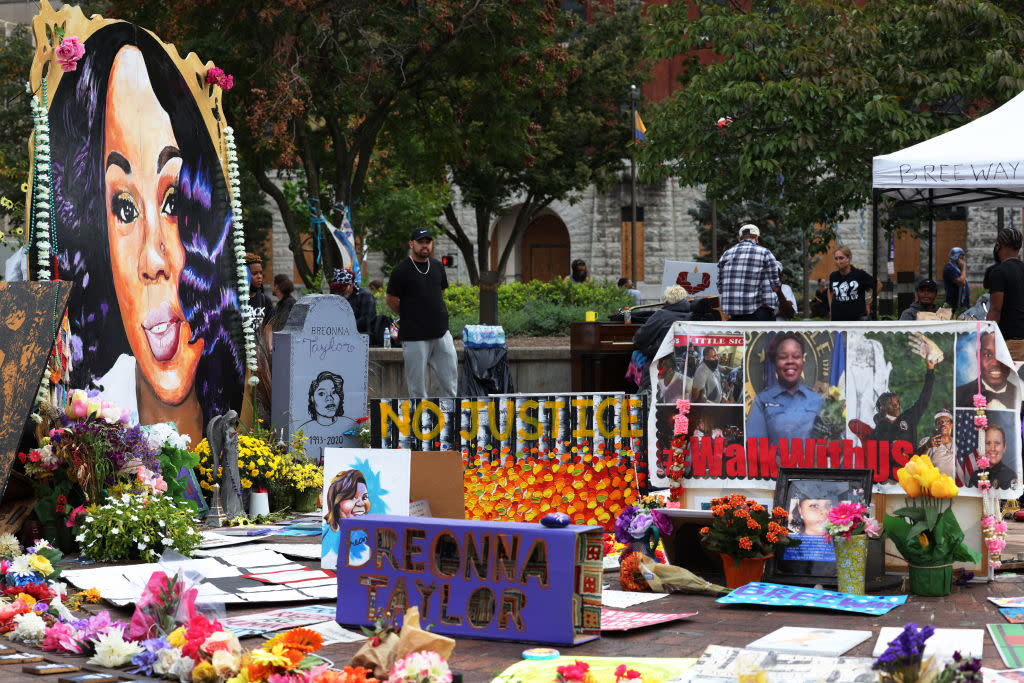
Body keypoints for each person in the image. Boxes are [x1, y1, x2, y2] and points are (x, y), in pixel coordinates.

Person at [51, 22, 242, 445]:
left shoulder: (247, 443)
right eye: (124, 207)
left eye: (173, 201)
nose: (153, 261)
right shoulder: (92, 426)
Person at [386, 228, 458, 397]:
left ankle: (450, 422)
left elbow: (440, 292)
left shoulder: (438, 266)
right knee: (417, 389)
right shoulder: (401, 270)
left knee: (451, 385)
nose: (425, 246)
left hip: (441, 333)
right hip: (414, 336)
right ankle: (420, 423)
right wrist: (410, 314)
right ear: (412, 244)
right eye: (420, 242)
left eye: (428, 242)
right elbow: (391, 299)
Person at [746, 333, 824, 446]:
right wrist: (778, 460)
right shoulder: (762, 401)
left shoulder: (817, 400)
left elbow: (830, 444)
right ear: (774, 362)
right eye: (783, 357)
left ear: (802, 360)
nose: (790, 361)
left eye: (796, 356)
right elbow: (754, 446)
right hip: (776, 464)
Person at [717, 224, 794, 321]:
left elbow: (720, 290)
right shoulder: (765, 253)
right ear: (757, 238)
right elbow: (776, 287)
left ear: (739, 239)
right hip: (759, 314)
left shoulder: (726, 254)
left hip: (734, 315)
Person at [869, 365, 935, 448]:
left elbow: (924, 399)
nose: (896, 405)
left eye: (897, 402)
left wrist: (930, 369)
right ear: (882, 408)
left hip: (912, 460)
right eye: (891, 403)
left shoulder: (909, 418)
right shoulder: (879, 429)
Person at [987, 227, 1024, 362]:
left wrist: (986, 336)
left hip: (1010, 341)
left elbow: (995, 309)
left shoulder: (998, 272)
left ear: (998, 245)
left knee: (1012, 383)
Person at [956, 331, 1018, 410]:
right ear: (978, 356)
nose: (995, 363)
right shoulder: (959, 394)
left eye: (1002, 355)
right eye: (988, 355)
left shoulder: (1021, 393)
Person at [322, 469, 371, 568]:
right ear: (336, 503)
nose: (361, 503)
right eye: (352, 497)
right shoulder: (329, 539)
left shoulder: (371, 533)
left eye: (364, 497)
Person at [299, 371, 358, 451]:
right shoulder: (303, 430)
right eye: (322, 394)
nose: (329, 398)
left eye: (334, 392)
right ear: (312, 399)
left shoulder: (350, 424)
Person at [632, 285, 692, 361]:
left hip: (661, 362)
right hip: (685, 361)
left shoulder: (661, 315)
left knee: (637, 357)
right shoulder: (692, 315)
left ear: (667, 301)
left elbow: (639, 339)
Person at [828, 245, 881, 321]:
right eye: (836, 259)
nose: (838, 262)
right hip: (837, 320)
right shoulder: (833, 276)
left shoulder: (859, 274)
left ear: (849, 258)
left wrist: (869, 303)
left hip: (856, 320)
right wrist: (831, 307)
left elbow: (878, 285)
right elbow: (830, 291)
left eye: (841, 258)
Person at [968, 424, 1016, 490]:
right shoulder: (975, 477)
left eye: (997, 443)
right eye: (988, 443)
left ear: (1004, 447)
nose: (992, 448)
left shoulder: (1011, 477)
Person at [331, 268, 375, 334]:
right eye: (337, 291)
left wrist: (344, 327)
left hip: (362, 335)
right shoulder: (337, 298)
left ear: (351, 285)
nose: (339, 293)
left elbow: (366, 320)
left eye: (342, 290)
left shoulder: (365, 296)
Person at [917, 410, 955, 478]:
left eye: (946, 421)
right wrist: (927, 446)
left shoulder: (957, 442)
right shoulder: (927, 441)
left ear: (951, 425)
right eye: (939, 422)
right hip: (936, 485)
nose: (943, 424)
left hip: (956, 485)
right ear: (936, 426)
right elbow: (916, 461)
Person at [246, 254, 274, 327]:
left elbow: (268, 329)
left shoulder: (265, 301)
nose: (259, 277)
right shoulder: (234, 301)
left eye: (260, 273)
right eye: (255, 273)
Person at [943, 247, 970, 311]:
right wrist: (963, 268)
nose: (963, 259)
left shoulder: (956, 269)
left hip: (961, 305)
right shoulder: (949, 268)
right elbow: (961, 282)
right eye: (961, 256)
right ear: (955, 256)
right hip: (953, 305)